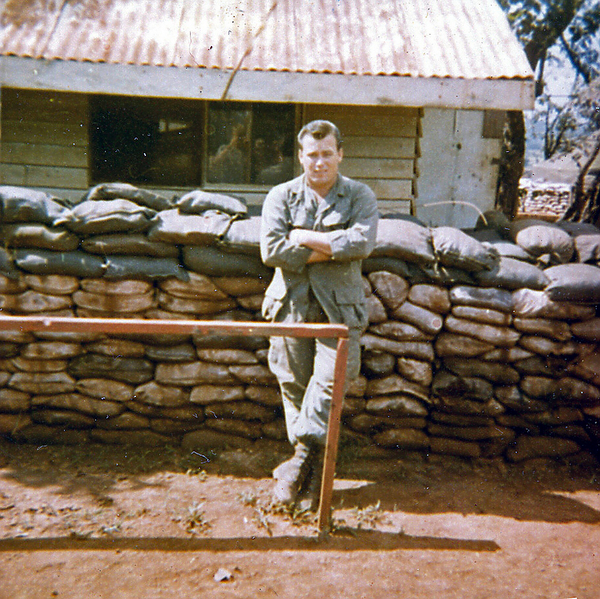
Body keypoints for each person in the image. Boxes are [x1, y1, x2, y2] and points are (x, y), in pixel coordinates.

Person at [260, 120, 378, 510]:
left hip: (338, 311)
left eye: (327, 153)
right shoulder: (281, 195)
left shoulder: (359, 195)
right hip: (290, 307)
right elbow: (272, 250)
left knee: (329, 385)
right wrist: (331, 247)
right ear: (300, 157)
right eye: (312, 154)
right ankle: (310, 480)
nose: (320, 162)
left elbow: (361, 242)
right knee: (294, 388)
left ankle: (296, 467)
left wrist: (304, 237)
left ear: (340, 154)